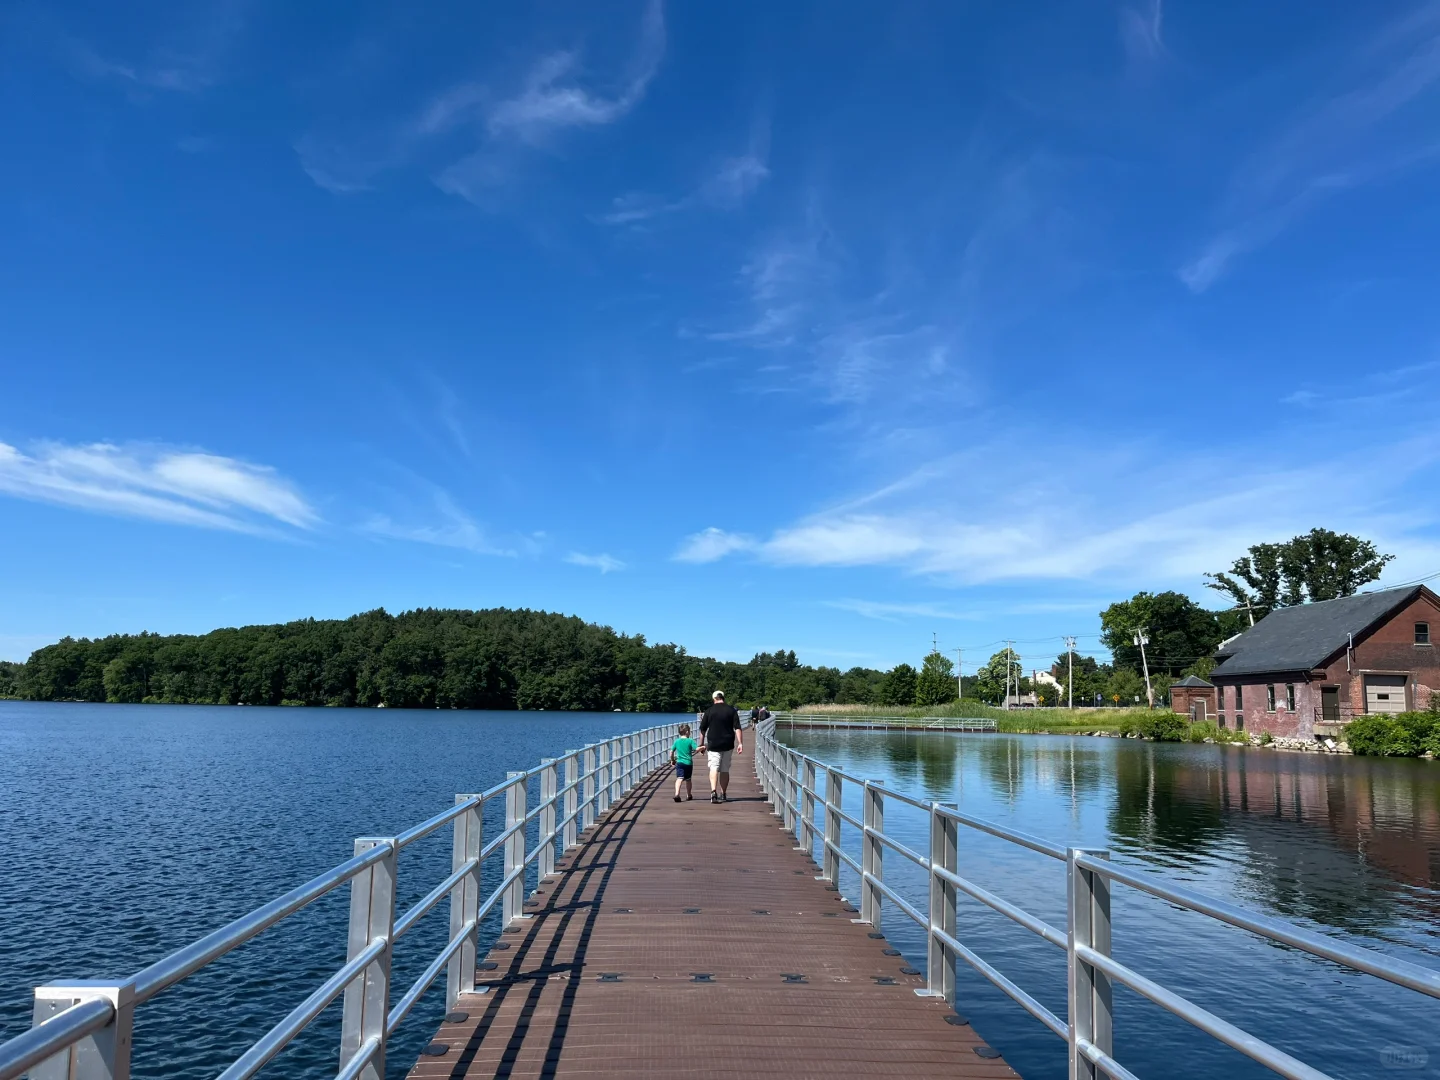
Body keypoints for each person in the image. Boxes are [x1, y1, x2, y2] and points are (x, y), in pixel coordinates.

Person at [698, 690, 743, 803]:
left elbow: (702, 730)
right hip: (728, 743)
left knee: (714, 767)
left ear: (714, 699)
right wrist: (740, 743)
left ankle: (713, 792)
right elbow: (737, 728)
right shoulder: (731, 710)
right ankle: (723, 793)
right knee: (725, 769)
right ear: (723, 697)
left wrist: (701, 745)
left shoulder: (709, 711)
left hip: (713, 743)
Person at [671, 724, 697, 802]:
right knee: (688, 779)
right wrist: (702, 748)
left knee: (679, 778)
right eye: (690, 732)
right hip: (688, 763)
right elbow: (696, 749)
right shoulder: (690, 741)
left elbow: (671, 752)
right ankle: (689, 795)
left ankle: (677, 794)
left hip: (679, 763)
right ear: (687, 732)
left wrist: (672, 760)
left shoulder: (677, 741)